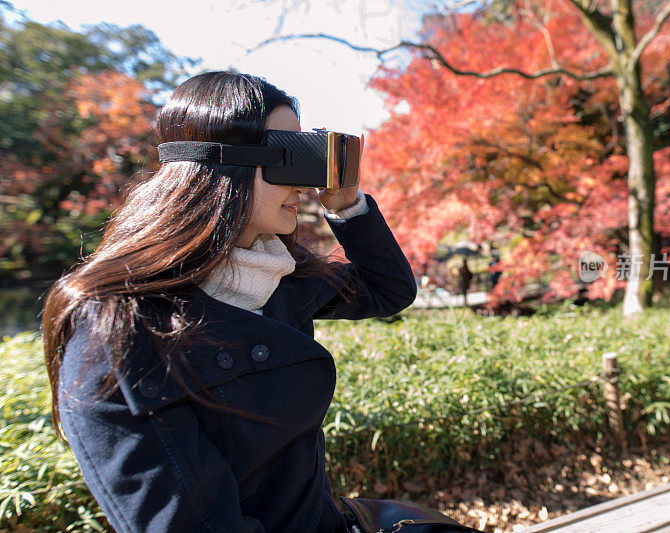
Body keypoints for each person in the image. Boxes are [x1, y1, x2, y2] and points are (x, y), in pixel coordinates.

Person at [41, 71, 417, 532]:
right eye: (289, 159)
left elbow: (389, 290)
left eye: (307, 158)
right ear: (224, 166)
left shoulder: (278, 273)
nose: (304, 184)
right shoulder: (118, 327)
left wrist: (346, 202)